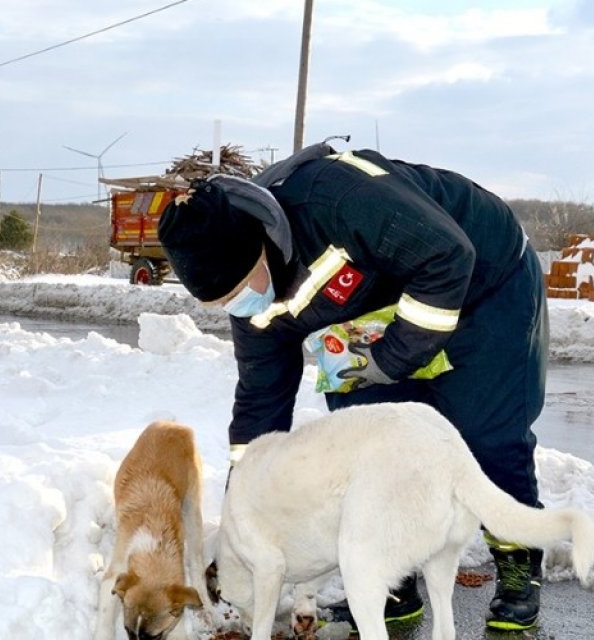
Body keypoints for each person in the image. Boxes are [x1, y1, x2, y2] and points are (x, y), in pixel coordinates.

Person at [157, 142, 550, 631]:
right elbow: (260, 403)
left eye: (238, 292)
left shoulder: (337, 199)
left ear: (261, 247)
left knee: (483, 430)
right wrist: (244, 503)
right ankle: (392, 574)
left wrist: (389, 359)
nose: (240, 307)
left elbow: (448, 257)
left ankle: (517, 562)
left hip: (481, 287)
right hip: (376, 310)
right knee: (368, 433)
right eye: (223, 305)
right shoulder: (257, 307)